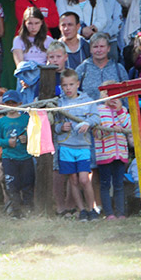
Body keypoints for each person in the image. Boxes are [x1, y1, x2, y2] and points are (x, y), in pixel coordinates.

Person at [53, 69, 100, 221]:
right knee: (73, 179)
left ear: (77, 84)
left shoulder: (87, 101)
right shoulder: (58, 103)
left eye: (71, 84)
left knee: (84, 179)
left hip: (83, 146)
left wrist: (87, 123)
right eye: (65, 85)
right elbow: (54, 124)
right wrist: (61, 128)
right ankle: (82, 211)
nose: (68, 88)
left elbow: (96, 118)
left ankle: (91, 207)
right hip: (66, 146)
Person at [0, 89, 32, 217]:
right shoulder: (1, 121)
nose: (10, 106)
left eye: (13, 103)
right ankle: (16, 211)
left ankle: (28, 209)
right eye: (7, 103)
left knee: (28, 184)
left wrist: (27, 138)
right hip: (9, 158)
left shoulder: (26, 119)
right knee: (11, 185)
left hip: (25, 157)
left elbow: (34, 134)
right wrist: (7, 142)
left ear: (19, 103)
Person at [95, 83, 129, 219]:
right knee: (105, 184)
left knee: (119, 184)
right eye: (106, 93)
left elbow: (129, 126)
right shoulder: (98, 110)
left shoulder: (123, 110)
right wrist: (109, 128)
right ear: (102, 96)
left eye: (113, 93)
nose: (110, 96)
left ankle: (121, 213)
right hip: (104, 154)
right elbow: (96, 133)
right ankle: (109, 213)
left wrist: (120, 111)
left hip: (120, 153)